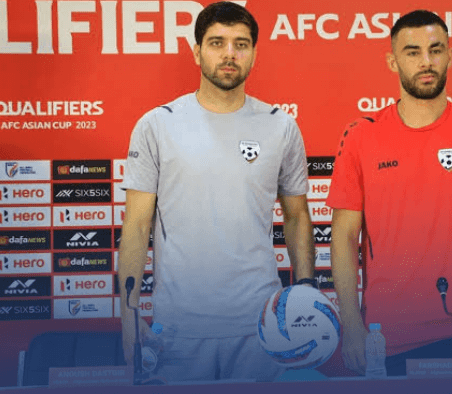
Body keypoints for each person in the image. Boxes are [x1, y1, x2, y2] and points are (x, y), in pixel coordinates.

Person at [118, 2, 315, 382]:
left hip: (262, 324)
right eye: (217, 43)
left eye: (241, 44)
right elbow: (137, 226)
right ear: (196, 52)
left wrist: (305, 292)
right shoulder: (158, 124)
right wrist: (129, 320)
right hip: (177, 329)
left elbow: (297, 216)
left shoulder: (281, 126)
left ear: (255, 53)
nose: (229, 54)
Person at [326, 10, 452, 377]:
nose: (426, 61)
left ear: (450, 55)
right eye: (412, 51)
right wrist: (352, 327)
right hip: (386, 337)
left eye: (435, 50)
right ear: (392, 61)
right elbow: (342, 237)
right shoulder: (360, 136)